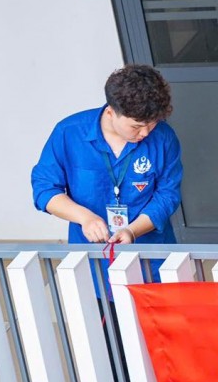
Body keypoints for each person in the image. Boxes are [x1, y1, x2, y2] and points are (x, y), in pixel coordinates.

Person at [31, 64, 182, 265]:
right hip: (91, 254)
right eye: (136, 126)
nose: (145, 133)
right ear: (111, 113)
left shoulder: (163, 138)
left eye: (152, 124)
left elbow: (168, 194)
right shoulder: (69, 133)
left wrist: (132, 231)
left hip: (152, 254)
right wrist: (84, 217)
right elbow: (44, 188)